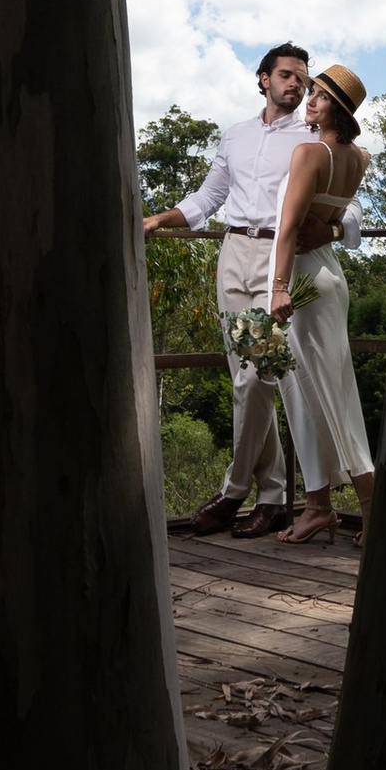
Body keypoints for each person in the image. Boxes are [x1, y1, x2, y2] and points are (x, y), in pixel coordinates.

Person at [142, 41, 309, 535]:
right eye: (286, 74)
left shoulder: (311, 137)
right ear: (264, 79)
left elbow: (341, 198)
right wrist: (159, 219)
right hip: (233, 255)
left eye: (302, 77)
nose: (295, 83)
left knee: (258, 378)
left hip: (279, 259)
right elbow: (209, 196)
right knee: (246, 379)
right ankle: (273, 497)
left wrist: (336, 227)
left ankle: (233, 490)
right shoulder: (235, 135)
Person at [265, 61, 374, 546]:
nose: (310, 100)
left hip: (304, 280)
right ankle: (318, 507)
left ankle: (373, 507)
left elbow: (288, 228)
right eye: (311, 92)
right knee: (309, 392)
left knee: (332, 394)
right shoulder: (360, 157)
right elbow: (337, 218)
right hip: (329, 274)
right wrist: (329, 229)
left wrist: (278, 287)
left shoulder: (309, 152)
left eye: (321, 96)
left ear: (339, 110)